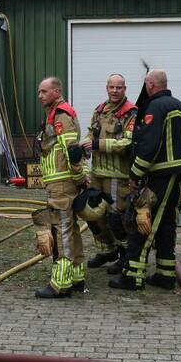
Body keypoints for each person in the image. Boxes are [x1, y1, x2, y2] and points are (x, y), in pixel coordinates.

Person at [110, 69, 181, 291]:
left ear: (151, 85)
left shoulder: (154, 108)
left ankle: (132, 277)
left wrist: (135, 174)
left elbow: (149, 146)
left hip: (159, 177)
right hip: (177, 176)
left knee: (144, 223)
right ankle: (165, 274)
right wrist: (177, 165)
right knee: (166, 223)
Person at [32, 77, 87, 298]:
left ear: (56, 91)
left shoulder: (61, 115)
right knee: (71, 230)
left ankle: (60, 284)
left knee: (61, 230)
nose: (40, 96)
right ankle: (76, 277)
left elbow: (72, 151)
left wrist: (79, 177)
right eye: (39, 91)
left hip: (62, 184)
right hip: (60, 182)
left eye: (44, 91)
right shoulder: (54, 114)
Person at [81, 74, 137, 271]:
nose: (114, 91)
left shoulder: (131, 113)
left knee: (116, 218)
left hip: (117, 176)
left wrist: (97, 144)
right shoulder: (100, 110)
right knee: (93, 214)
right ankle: (107, 250)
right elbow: (91, 133)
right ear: (106, 88)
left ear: (125, 89)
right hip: (97, 173)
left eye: (118, 87)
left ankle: (126, 256)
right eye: (111, 87)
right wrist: (84, 145)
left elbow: (127, 143)